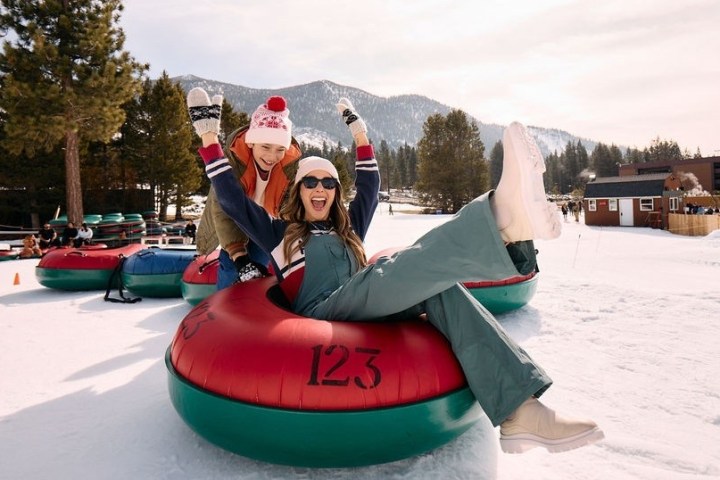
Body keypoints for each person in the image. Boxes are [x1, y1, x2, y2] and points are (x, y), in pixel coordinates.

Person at [189, 93, 603, 454]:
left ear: (335, 193)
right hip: (324, 314)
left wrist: (360, 136)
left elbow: (369, 184)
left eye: (328, 183)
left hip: (365, 301)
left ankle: (520, 410)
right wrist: (209, 139)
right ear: (298, 190)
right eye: (309, 182)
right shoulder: (281, 234)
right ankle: (503, 220)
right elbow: (230, 197)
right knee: (396, 266)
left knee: (444, 289)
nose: (319, 189)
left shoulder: (348, 229)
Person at [188, 88, 302, 288]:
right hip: (229, 221)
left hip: (261, 224)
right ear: (252, 143)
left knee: (259, 266)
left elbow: (289, 209)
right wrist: (239, 255)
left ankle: (256, 308)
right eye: (265, 147)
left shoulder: (288, 170)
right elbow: (223, 208)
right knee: (231, 266)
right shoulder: (233, 164)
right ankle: (223, 307)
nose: (271, 157)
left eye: (280, 150)